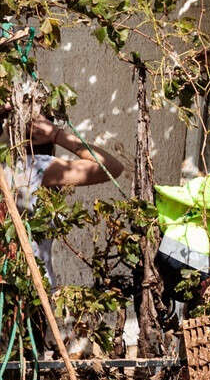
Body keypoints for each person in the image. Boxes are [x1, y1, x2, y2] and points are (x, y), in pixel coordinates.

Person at [2, 112, 124, 274]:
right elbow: (110, 167)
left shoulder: (9, 169)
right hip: (30, 285)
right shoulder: (31, 168)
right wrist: (57, 135)